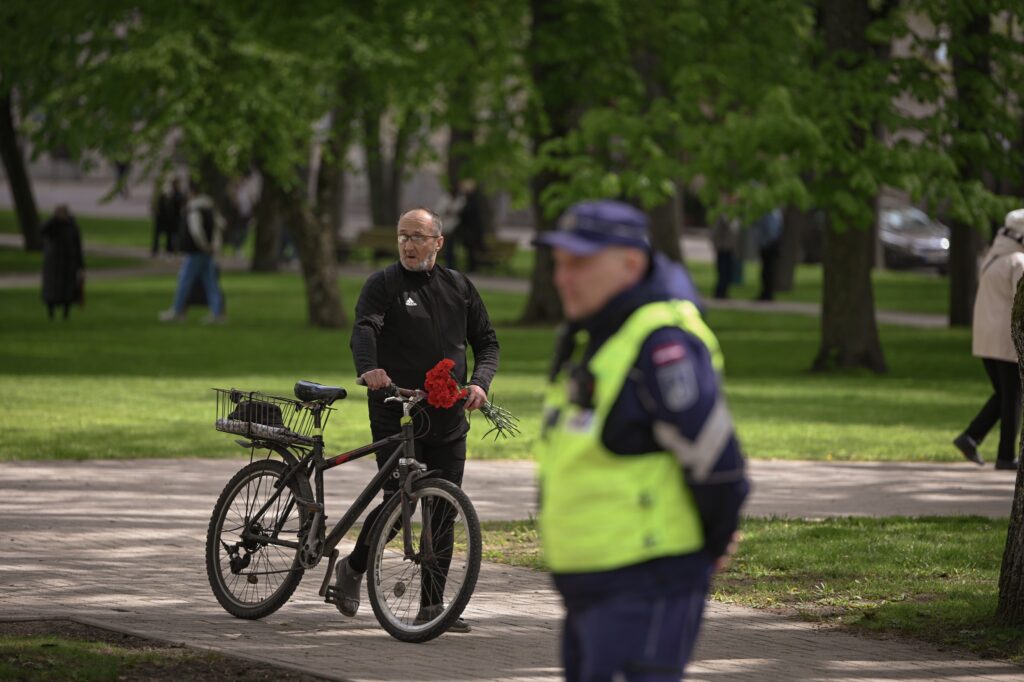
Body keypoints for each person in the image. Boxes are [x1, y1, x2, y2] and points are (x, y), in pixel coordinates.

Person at [533, 200, 749, 681]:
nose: (563, 278)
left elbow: (719, 464)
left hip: (647, 582)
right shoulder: (600, 334)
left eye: (580, 263)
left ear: (631, 264)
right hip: (594, 586)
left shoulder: (660, 342)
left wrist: (708, 550)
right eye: (560, 264)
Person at [338, 207, 500, 632]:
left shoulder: (459, 286)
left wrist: (480, 384)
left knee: (443, 509)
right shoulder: (383, 284)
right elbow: (365, 328)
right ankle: (353, 568)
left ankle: (432, 607)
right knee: (400, 503)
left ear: (438, 242)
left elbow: (486, 341)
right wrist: (370, 367)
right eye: (402, 236)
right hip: (397, 411)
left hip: (448, 415)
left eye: (417, 237)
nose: (408, 245)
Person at [954, 208, 1024, 471]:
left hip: (986, 339)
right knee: (1013, 396)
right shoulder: (1018, 261)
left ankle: (971, 437)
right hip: (1005, 339)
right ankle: (1006, 455)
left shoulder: (992, 258)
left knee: (1004, 395)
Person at [158, 185, 226, 323]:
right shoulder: (210, 207)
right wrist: (214, 245)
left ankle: (177, 310)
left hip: (196, 251)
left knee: (184, 280)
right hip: (207, 251)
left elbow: (196, 231)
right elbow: (222, 224)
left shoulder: (194, 209)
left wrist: (204, 245)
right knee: (210, 282)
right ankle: (217, 312)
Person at [41, 205, 85, 320]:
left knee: (68, 291)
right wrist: (53, 219)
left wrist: (81, 265)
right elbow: (42, 230)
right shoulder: (52, 225)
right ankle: (51, 313)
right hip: (53, 264)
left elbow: (77, 246)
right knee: (51, 290)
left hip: (69, 264)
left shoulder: (72, 227)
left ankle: (66, 314)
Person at [752, 208, 783, 301]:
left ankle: (767, 293)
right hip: (770, 245)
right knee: (768, 270)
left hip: (768, 245)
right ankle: (767, 292)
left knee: (767, 271)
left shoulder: (769, 214)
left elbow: (770, 231)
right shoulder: (775, 213)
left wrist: (765, 243)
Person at [151, 178, 184, 256]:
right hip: (164, 218)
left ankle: (171, 249)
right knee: (163, 234)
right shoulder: (164, 194)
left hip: (171, 218)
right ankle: (166, 249)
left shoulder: (173, 194)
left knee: (172, 234)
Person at [711, 210, 740, 300]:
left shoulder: (735, 217)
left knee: (728, 272)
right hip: (723, 248)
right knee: (723, 271)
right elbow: (716, 233)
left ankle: (724, 292)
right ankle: (720, 292)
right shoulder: (723, 216)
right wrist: (717, 245)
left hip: (730, 249)